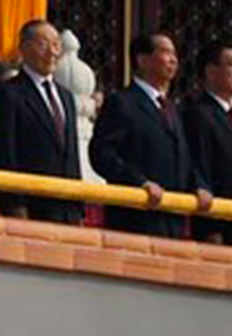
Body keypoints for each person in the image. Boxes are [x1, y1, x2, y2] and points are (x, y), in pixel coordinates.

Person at [91, 31, 215, 237]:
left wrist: (199, 186)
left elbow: (184, 156)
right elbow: (102, 154)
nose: (173, 59)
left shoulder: (172, 108)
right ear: (143, 60)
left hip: (171, 218)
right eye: (165, 52)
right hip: (135, 217)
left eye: (174, 53)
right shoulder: (123, 103)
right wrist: (139, 182)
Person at [0, 21, 83, 223]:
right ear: (24, 48)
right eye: (43, 44)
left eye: (56, 45)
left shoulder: (65, 97)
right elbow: (3, 153)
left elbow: (71, 154)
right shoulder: (9, 93)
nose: (52, 51)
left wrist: (78, 205)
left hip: (67, 207)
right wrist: (14, 204)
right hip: (32, 206)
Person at [181, 42, 232, 244]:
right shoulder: (198, 114)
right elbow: (200, 169)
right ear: (211, 71)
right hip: (222, 226)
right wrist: (209, 227)